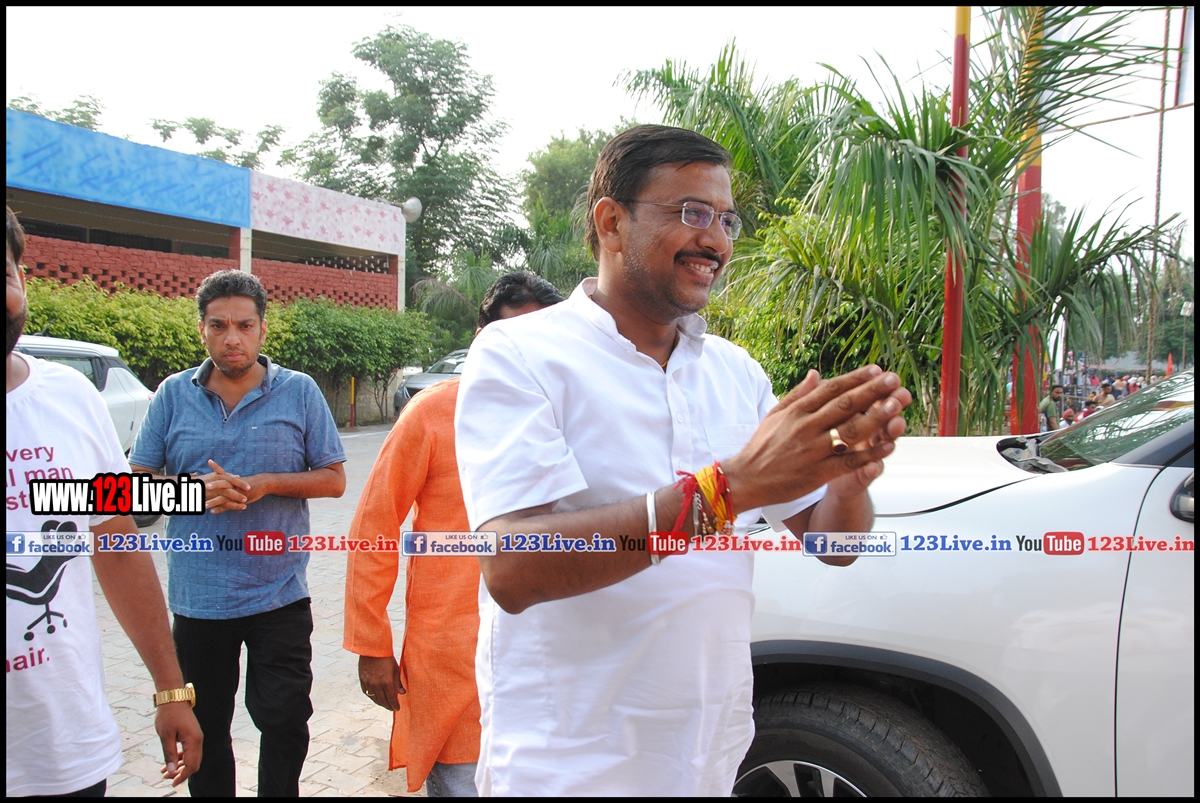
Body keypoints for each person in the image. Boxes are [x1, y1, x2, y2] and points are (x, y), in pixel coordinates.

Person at [453, 125, 912, 796]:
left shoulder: (736, 371)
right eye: (693, 212)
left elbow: (833, 545)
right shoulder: (519, 353)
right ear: (612, 222)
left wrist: (847, 480)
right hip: (566, 764)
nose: (717, 240)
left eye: (727, 219)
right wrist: (729, 490)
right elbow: (512, 567)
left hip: (706, 758)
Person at [6, 206, 203, 796]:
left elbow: (116, 540)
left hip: (60, 747)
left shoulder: (71, 395)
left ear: (22, 280)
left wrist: (170, 688)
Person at [343, 272, 564, 797]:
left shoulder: (569, 415)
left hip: (548, 663)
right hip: (452, 658)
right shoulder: (432, 413)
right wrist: (372, 644)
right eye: (512, 337)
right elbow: (375, 524)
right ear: (482, 337)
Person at [129, 269, 346, 797]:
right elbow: (134, 493)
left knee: (285, 721)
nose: (233, 338)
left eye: (245, 326)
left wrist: (267, 483)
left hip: (279, 595)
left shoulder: (299, 391)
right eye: (219, 325)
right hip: (199, 601)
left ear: (262, 329)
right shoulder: (171, 395)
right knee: (204, 729)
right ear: (201, 329)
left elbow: (334, 479)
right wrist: (189, 492)